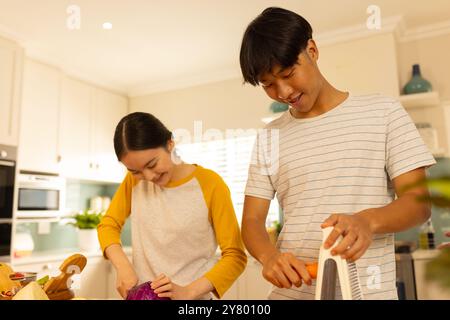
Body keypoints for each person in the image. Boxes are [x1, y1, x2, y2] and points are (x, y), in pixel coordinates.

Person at [239, 7, 436, 300]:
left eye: (288, 74)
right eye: (268, 84)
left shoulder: (383, 112)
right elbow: (253, 221)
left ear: (312, 50)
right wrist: (268, 257)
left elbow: (419, 204)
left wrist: (367, 221)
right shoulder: (270, 137)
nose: (282, 91)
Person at [97, 112, 247, 300]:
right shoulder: (133, 182)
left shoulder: (211, 184)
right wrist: (122, 266)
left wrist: (188, 291)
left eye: (152, 164)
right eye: (135, 171)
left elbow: (235, 256)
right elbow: (108, 225)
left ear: (170, 144)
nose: (149, 177)